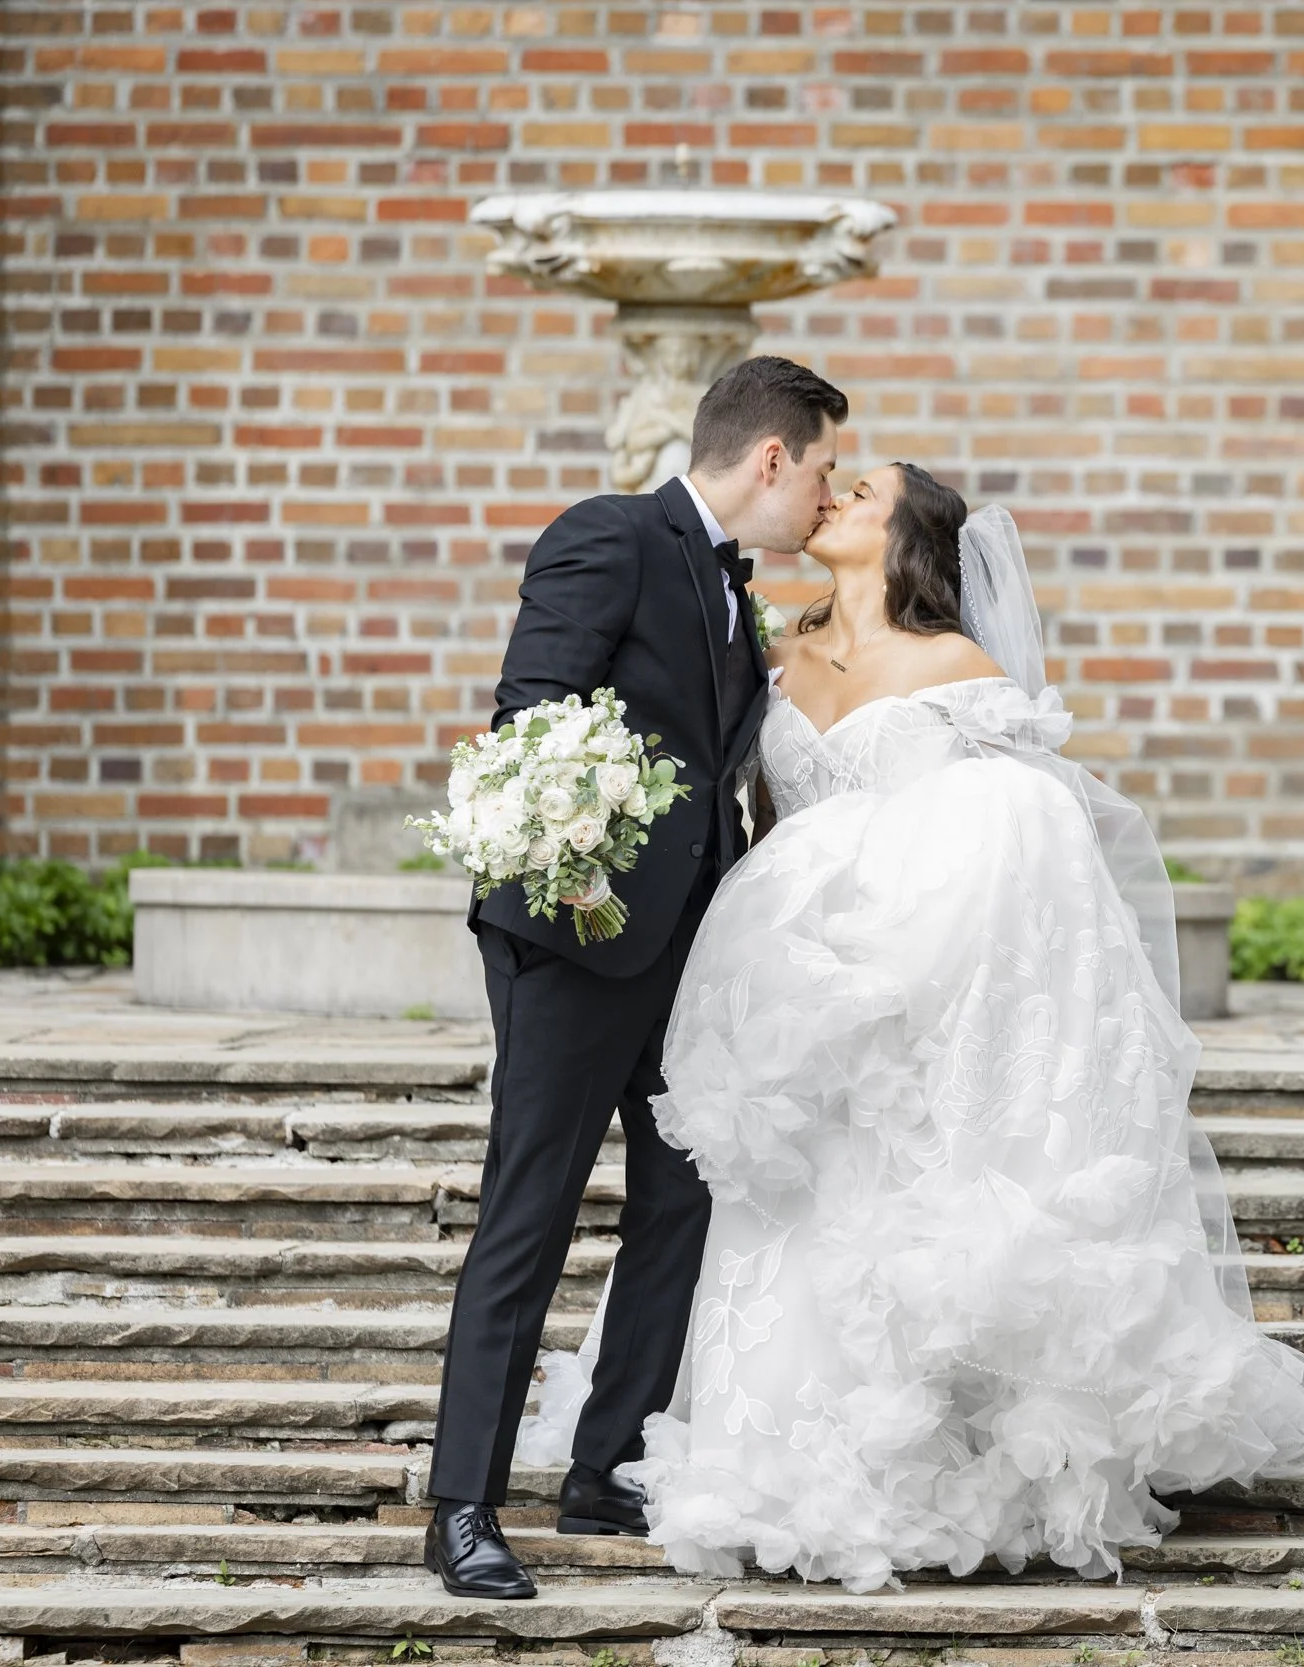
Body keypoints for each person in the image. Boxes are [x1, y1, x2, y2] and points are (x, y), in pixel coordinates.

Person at [521, 462, 1304, 1591]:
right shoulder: (776, 645)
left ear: (906, 532)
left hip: (914, 975)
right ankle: (751, 1434)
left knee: (887, 1197)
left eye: (861, 489)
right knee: (779, 1194)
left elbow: (1023, 840)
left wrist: (914, 961)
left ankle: (921, 1450)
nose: (833, 495)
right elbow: (756, 804)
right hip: (791, 972)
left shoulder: (958, 668)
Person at [424, 356, 849, 1600]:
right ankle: (462, 1507)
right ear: (769, 457)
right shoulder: (609, 535)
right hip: (574, 940)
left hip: (685, 957)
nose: (825, 495)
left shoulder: (734, 586)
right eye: (821, 468)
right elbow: (531, 722)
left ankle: (605, 1462)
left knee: (684, 1195)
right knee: (532, 1206)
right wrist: (579, 887)